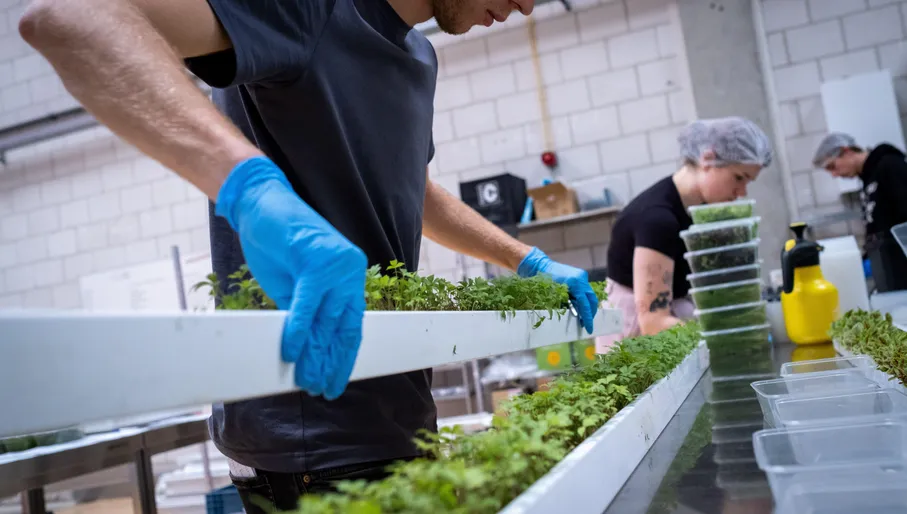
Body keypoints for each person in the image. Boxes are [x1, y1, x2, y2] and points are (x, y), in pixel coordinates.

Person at [18, 0, 602, 511]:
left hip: (397, 413)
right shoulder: (314, 8)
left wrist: (526, 259)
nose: (528, 6)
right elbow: (72, 16)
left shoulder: (420, 57)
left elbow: (415, 189)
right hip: (307, 434)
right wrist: (251, 188)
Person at [597, 117, 772, 352]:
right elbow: (653, 322)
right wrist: (723, 338)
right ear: (707, 159)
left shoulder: (691, 210)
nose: (741, 192)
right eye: (738, 178)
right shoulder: (657, 219)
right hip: (634, 343)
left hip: (665, 336)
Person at [812, 133, 907, 291]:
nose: (834, 174)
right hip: (889, 268)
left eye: (832, 166)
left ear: (846, 151)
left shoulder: (890, 164)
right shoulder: (867, 179)